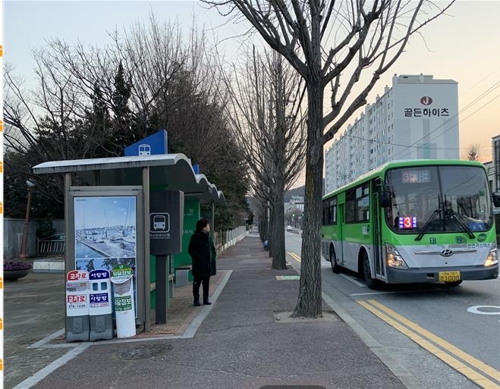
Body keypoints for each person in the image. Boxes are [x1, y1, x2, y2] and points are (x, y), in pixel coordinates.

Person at [188, 218, 216, 306]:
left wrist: (213, 256)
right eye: (207, 225)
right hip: (199, 264)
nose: (209, 227)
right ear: (203, 227)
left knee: (206, 283)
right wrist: (198, 258)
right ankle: (196, 299)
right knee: (197, 282)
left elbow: (212, 248)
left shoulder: (209, 236)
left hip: (208, 263)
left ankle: (205, 299)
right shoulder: (196, 236)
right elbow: (191, 250)